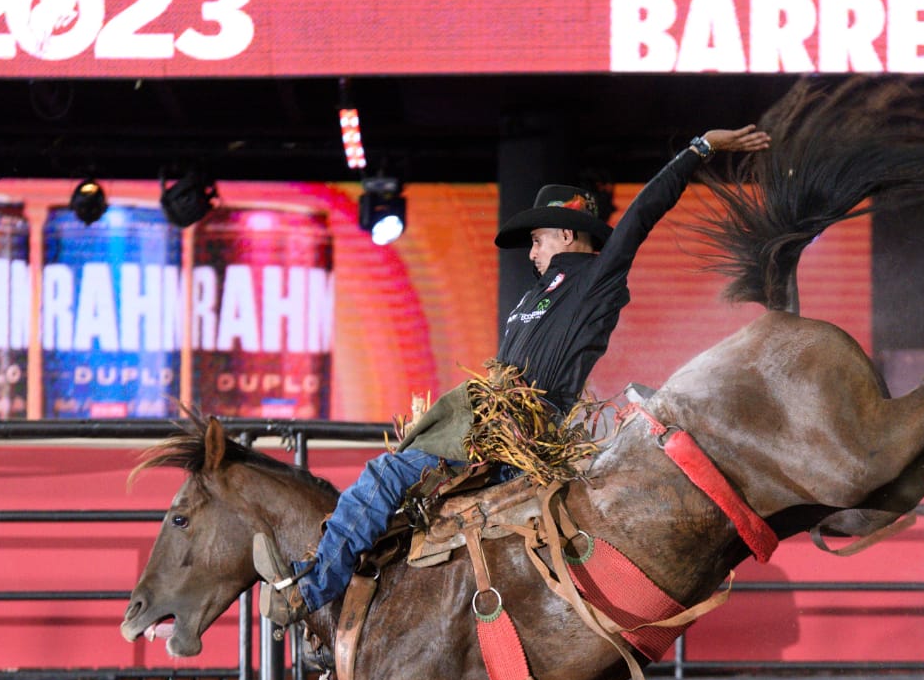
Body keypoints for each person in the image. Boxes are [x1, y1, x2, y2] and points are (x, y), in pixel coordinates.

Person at [253, 124, 772, 625]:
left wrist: (699, 149)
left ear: (567, 233)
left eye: (539, 239)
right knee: (405, 502)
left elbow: (641, 214)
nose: (532, 250)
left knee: (385, 475)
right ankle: (339, 601)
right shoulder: (534, 296)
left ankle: (311, 589)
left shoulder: (596, 280)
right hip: (487, 427)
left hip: (521, 436)